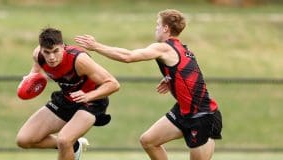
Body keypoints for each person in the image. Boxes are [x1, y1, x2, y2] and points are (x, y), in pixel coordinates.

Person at [75, 9, 222, 160]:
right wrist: (170, 79)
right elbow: (189, 74)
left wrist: (96, 46)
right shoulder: (182, 49)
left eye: (158, 25)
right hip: (183, 112)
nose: (156, 28)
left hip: (203, 116)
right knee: (148, 141)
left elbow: (128, 56)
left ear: (166, 28)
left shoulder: (164, 47)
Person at [16, 27, 120, 160]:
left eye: (55, 51)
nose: (51, 57)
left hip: (92, 102)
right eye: (47, 52)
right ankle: (75, 147)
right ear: (41, 49)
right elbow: (35, 73)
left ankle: (69, 145)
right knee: (24, 139)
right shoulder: (38, 55)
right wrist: (27, 81)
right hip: (67, 98)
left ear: (63, 47)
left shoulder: (79, 60)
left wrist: (88, 96)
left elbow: (113, 84)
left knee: (64, 140)